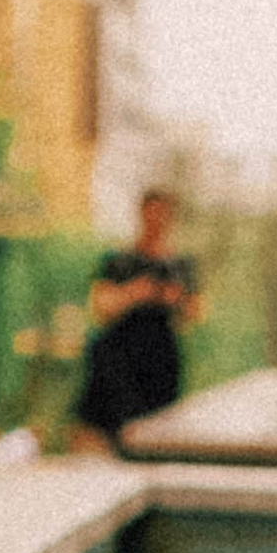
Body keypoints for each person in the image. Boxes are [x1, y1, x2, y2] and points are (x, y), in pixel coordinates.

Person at [70, 187, 201, 452]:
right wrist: (136, 292)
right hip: (119, 359)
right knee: (104, 432)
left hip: (159, 361)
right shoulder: (120, 261)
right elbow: (101, 307)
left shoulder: (180, 265)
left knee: (155, 435)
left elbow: (195, 313)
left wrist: (173, 298)